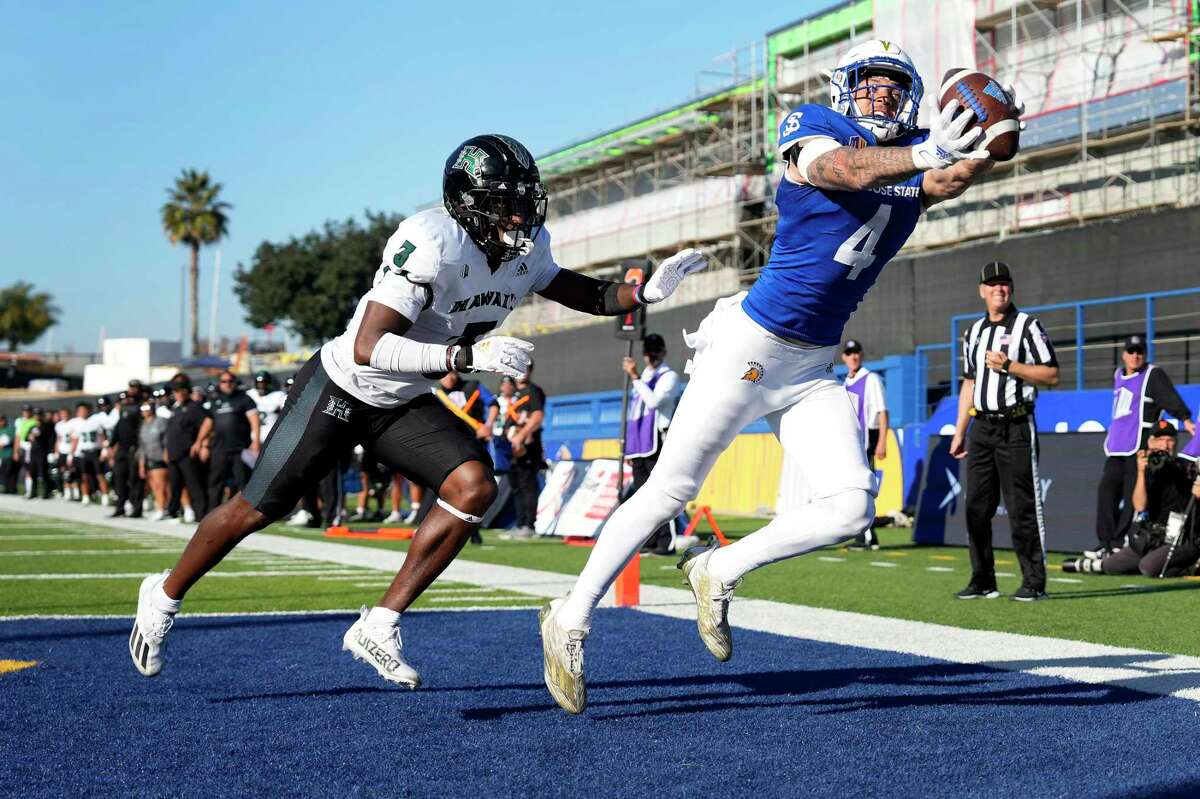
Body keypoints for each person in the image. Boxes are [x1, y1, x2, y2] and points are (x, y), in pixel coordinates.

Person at [129, 133, 707, 685]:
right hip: (343, 385)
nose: (519, 215)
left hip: (402, 399)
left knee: (474, 487)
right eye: (504, 203)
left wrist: (643, 293)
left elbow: (582, 291)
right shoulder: (431, 240)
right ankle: (163, 594)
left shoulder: (526, 251)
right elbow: (369, 345)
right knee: (258, 507)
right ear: (468, 203)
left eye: (523, 201)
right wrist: (466, 353)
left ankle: (379, 624)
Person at [540, 39, 1014, 713]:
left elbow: (945, 178)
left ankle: (718, 567)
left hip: (812, 364)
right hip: (751, 348)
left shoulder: (913, 150)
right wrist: (926, 153)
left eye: (893, 85)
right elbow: (844, 170)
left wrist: (990, 136)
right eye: (870, 83)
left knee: (853, 503)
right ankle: (571, 615)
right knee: (671, 487)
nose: (881, 95)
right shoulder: (815, 128)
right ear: (844, 87)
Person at [950, 262, 1059, 601]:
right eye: (993, 284)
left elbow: (1052, 375)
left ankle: (1033, 582)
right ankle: (983, 579)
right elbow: (969, 382)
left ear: (1011, 289)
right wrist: (959, 431)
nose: (999, 289)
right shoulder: (974, 332)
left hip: (1015, 425)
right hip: (981, 427)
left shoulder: (1027, 326)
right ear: (982, 290)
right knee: (976, 508)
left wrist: (1010, 366)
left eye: (1005, 284)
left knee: (1022, 507)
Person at [1089, 335, 1195, 559]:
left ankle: (1121, 541)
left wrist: (1184, 418)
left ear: (1145, 354)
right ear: (1123, 354)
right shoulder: (1118, 375)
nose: (1135, 355)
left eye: (1139, 352)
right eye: (1131, 351)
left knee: (1130, 496)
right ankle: (1105, 542)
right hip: (1117, 446)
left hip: (1138, 445)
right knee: (1106, 491)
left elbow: (1169, 398)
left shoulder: (1152, 375)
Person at [1064, 421, 1200, 577]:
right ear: (1150, 442)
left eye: (1170, 440)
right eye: (1160, 440)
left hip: (1179, 539)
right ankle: (1152, 560)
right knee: (1110, 566)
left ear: (1175, 443)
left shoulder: (1184, 468)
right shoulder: (1146, 468)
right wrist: (1141, 472)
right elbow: (1139, 506)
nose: (1165, 445)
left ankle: (1191, 566)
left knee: (1148, 567)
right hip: (1153, 537)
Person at [621, 333, 681, 555]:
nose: (652, 357)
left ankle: (667, 541)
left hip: (657, 439)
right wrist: (630, 445)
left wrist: (635, 378)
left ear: (663, 352)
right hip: (640, 443)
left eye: (655, 352)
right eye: (648, 353)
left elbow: (653, 402)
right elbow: (634, 411)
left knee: (660, 491)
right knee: (641, 494)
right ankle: (649, 539)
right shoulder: (645, 375)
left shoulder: (669, 377)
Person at [841, 339, 890, 549]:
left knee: (863, 489)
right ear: (844, 357)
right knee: (854, 489)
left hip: (867, 441)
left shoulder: (871, 379)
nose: (853, 356)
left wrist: (882, 442)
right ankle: (863, 535)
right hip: (852, 443)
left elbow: (882, 412)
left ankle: (868, 536)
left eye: (856, 352)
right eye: (849, 353)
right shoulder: (845, 383)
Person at [199, 371, 260, 509]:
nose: (227, 384)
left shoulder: (244, 399)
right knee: (216, 482)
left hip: (240, 449)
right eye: (224, 381)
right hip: (219, 449)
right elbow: (208, 423)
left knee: (243, 483)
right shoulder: (215, 400)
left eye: (230, 381)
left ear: (235, 382)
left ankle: (245, 512)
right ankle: (212, 512)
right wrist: (200, 443)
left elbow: (254, 421)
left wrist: (255, 442)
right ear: (219, 383)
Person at [505, 362, 546, 539]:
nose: (522, 373)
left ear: (531, 371)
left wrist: (521, 436)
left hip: (528, 446)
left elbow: (537, 417)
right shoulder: (514, 395)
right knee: (516, 487)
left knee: (528, 485)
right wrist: (509, 434)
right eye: (519, 369)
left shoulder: (533, 391)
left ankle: (529, 525)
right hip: (512, 447)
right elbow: (508, 421)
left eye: (526, 369)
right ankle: (520, 523)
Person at [164, 377, 210, 523]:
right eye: (176, 390)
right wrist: (167, 449)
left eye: (181, 390)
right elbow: (171, 431)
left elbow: (208, 423)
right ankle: (174, 512)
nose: (178, 393)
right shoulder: (176, 408)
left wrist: (200, 444)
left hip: (187, 453)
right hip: (173, 453)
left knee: (194, 484)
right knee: (175, 485)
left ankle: (201, 514)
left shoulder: (194, 407)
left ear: (187, 391)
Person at [109, 391, 145, 518]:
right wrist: (111, 445)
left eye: (127, 399)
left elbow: (140, 430)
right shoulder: (121, 413)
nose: (125, 402)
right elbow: (117, 431)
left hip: (132, 449)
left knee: (135, 480)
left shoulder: (136, 411)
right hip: (122, 450)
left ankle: (137, 508)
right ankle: (120, 507)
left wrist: (138, 447)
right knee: (119, 479)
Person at [69, 402, 108, 505]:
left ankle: (105, 496)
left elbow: (103, 436)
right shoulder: (76, 423)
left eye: (84, 410)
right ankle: (85, 496)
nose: (82, 412)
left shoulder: (96, 420)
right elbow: (75, 440)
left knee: (100, 475)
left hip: (95, 451)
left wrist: (104, 450)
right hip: (83, 453)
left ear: (89, 410)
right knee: (84, 476)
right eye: (80, 411)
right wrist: (71, 454)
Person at [138, 402, 170, 520]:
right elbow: (142, 446)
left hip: (160, 457)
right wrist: (141, 464)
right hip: (149, 459)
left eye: (148, 409)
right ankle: (162, 507)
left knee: (160, 485)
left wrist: (167, 452)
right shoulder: (143, 425)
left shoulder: (161, 421)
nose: (146, 412)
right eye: (144, 409)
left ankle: (161, 508)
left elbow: (167, 439)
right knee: (154, 485)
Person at [247, 371, 287, 441]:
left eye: (264, 383)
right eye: (259, 383)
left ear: (269, 383)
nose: (261, 386)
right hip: (252, 438)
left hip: (272, 438)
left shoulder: (278, 395)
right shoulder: (249, 394)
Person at [0, 414, 15, 494]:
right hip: (1, 455)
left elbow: (8, 441)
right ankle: (4, 487)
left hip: (7, 455)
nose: (1, 422)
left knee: (8, 471)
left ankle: (10, 489)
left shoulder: (10, 430)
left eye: (2, 420)